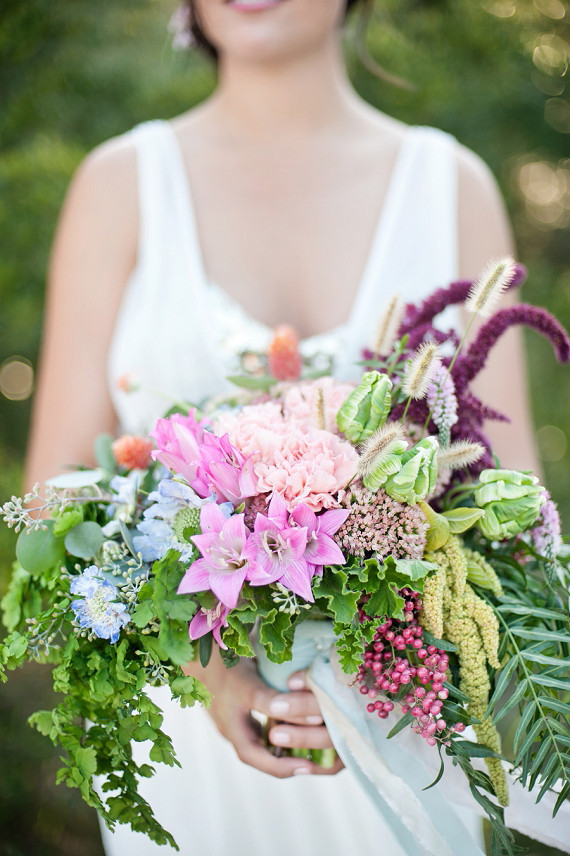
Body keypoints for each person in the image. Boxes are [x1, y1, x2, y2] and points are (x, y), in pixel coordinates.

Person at [25, 0, 540, 853]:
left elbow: (517, 506)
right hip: (188, 755)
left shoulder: (452, 187)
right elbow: (50, 504)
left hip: (404, 739)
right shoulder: (121, 184)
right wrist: (211, 680)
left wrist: (400, 664)